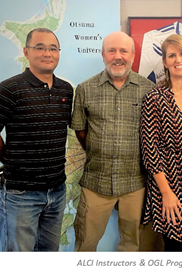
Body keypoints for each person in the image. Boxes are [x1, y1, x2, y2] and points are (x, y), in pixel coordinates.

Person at [0, 28, 73, 251]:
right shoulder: (8, 89)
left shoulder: (66, 89)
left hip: (57, 190)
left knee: (48, 254)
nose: (47, 53)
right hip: (20, 194)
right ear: (26, 51)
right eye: (40, 47)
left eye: (53, 48)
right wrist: (11, 159)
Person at [71, 31, 155, 252]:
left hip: (135, 183)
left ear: (133, 56)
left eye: (124, 51)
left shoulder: (149, 90)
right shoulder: (85, 89)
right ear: (103, 55)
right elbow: (80, 131)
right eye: (112, 50)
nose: (118, 56)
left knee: (131, 245)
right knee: (85, 244)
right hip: (95, 182)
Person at [140, 34, 182, 252]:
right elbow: (149, 149)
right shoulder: (155, 97)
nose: (178, 59)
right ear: (165, 62)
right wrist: (166, 192)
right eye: (172, 55)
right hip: (168, 181)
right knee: (177, 245)